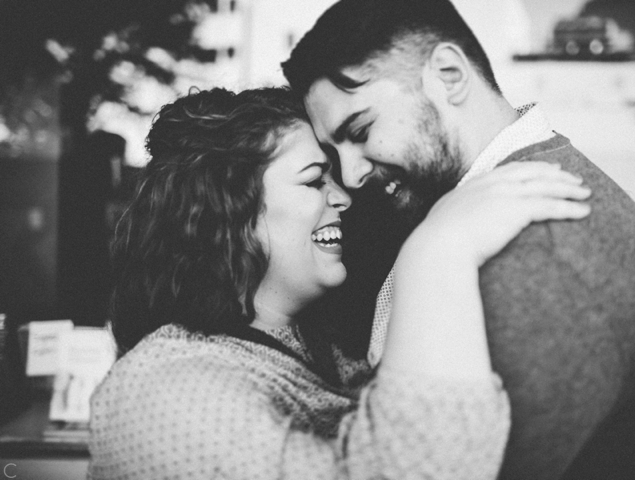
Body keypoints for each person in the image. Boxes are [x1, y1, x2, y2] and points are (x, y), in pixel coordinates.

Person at [281, 0, 635, 478]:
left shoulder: (538, 264)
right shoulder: (498, 190)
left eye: (362, 130)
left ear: (449, 74)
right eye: (333, 151)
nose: (351, 173)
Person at [87, 87, 594, 479]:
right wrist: (439, 251)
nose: (344, 198)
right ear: (229, 213)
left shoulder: (319, 347)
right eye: (313, 180)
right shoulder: (168, 394)